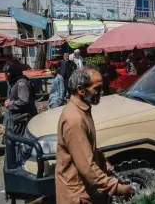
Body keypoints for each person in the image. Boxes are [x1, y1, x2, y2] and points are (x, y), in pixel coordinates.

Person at [55, 65, 133, 204]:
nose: (101, 92)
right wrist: (118, 188)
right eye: (96, 89)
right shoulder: (75, 120)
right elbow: (88, 168)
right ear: (80, 90)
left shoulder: (82, 110)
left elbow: (86, 149)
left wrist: (103, 161)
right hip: (78, 195)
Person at [2, 61, 38, 143]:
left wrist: (10, 103)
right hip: (19, 120)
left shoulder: (21, 83)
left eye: (7, 74)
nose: (6, 76)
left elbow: (24, 101)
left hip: (23, 121)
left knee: (20, 144)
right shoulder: (17, 81)